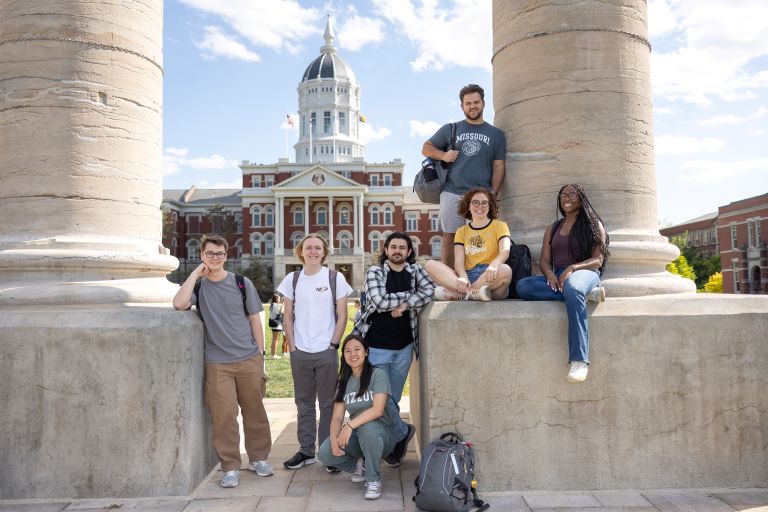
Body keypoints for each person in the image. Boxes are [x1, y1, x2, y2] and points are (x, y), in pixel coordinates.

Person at [172, 234, 272, 488]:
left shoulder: (241, 283)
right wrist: (196, 273)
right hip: (217, 363)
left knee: (254, 411)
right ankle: (230, 466)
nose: (215, 258)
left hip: (249, 358)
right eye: (209, 254)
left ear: (226, 256)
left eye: (219, 254)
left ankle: (258, 458)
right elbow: (179, 303)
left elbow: (254, 320)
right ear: (202, 255)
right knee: (224, 416)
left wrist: (260, 356)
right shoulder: (198, 286)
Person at [354, 231, 435, 467]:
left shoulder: (416, 270)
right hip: (377, 346)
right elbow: (378, 302)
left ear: (409, 252)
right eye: (393, 247)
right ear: (386, 250)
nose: (398, 251)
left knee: (393, 400)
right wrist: (411, 296)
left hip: (404, 347)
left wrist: (406, 304)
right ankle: (402, 432)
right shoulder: (375, 271)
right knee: (382, 398)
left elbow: (430, 290)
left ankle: (391, 446)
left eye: (402, 247)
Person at [515, 184, 608, 383]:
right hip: (558, 277)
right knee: (523, 286)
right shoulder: (553, 228)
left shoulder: (593, 224)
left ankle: (579, 360)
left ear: (581, 198)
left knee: (574, 286)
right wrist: (549, 273)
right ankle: (586, 294)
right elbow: (545, 261)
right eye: (563, 195)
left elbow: (598, 260)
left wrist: (573, 268)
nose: (567, 198)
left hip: (585, 272)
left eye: (572, 194)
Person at [277, 233, 353, 473]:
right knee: (304, 403)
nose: (313, 252)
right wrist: (292, 344)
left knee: (329, 404)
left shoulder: (335, 277)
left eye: (317, 248)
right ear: (301, 251)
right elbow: (287, 315)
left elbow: (342, 315)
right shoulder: (293, 278)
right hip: (300, 351)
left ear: (324, 252)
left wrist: (333, 344)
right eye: (308, 248)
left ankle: (328, 452)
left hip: (326, 351)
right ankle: (306, 451)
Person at [422, 84, 506, 268]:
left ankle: (476, 277)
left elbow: (499, 166)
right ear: (462, 106)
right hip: (452, 191)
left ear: (483, 103)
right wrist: (444, 155)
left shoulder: (496, 135)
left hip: (480, 195)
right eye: (468, 103)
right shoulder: (451, 129)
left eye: (476, 102)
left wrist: (493, 193)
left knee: (479, 238)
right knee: (449, 236)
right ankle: (450, 280)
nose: (472, 106)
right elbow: (426, 147)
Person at [318, 334, 396, 500]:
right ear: (343, 355)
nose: (352, 354)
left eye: (357, 349)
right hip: (359, 434)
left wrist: (350, 426)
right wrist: (333, 438)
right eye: (347, 351)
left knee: (368, 428)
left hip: (382, 436)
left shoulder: (377, 375)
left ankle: (373, 480)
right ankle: (359, 465)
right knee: (325, 453)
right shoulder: (343, 382)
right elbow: (337, 418)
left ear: (366, 352)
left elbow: (377, 410)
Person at [426, 188, 513, 301]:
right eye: (475, 202)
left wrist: (494, 265)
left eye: (484, 203)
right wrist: (462, 276)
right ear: (468, 206)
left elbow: (505, 251)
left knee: (506, 270)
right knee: (430, 264)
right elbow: (458, 261)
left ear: (490, 206)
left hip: (491, 276)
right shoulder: (461, 231)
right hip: (468, 276)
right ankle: (472, 294)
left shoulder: (500, 226)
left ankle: (462, 294)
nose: (480, 206)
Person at [267, 294, 286, 358]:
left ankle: (273, 354)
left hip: (274, 324)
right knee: (275, 339)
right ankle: (274, 355)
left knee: (275, 339)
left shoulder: (273, 305)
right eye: (278, 299)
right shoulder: (275, 305)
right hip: (276, 324)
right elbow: (281, 312)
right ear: (276, 299)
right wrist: (283, 303)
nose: (279, 300)